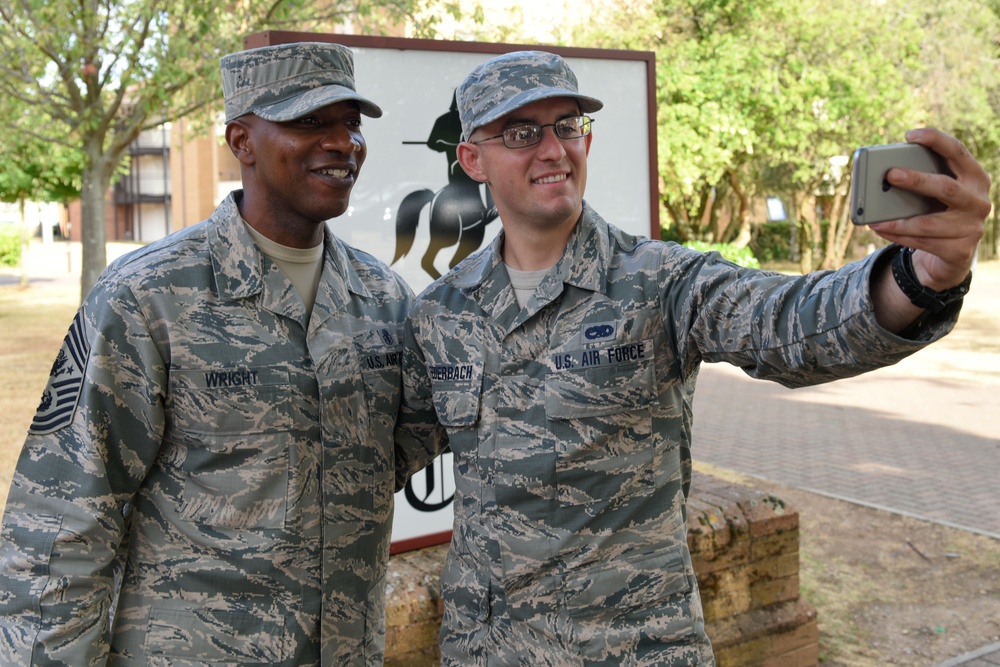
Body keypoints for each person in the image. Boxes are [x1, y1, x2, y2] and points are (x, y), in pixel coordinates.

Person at [394, 51, 991, 665]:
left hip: (633, 651)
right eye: (521, 133)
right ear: (473, 159)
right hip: (484, 651)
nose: (553, 150)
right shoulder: (442, 312)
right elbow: (375, 455)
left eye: (568, 126)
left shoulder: (661, 281)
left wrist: (921, 276)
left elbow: (787, 321)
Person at [0, 42, 410, 666]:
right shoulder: (147, 297)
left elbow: (411, 449)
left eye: (350, 123)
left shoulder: (383, 299)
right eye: (309, 122)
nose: (342, 143)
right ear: (242, 141)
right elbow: (60, 524)